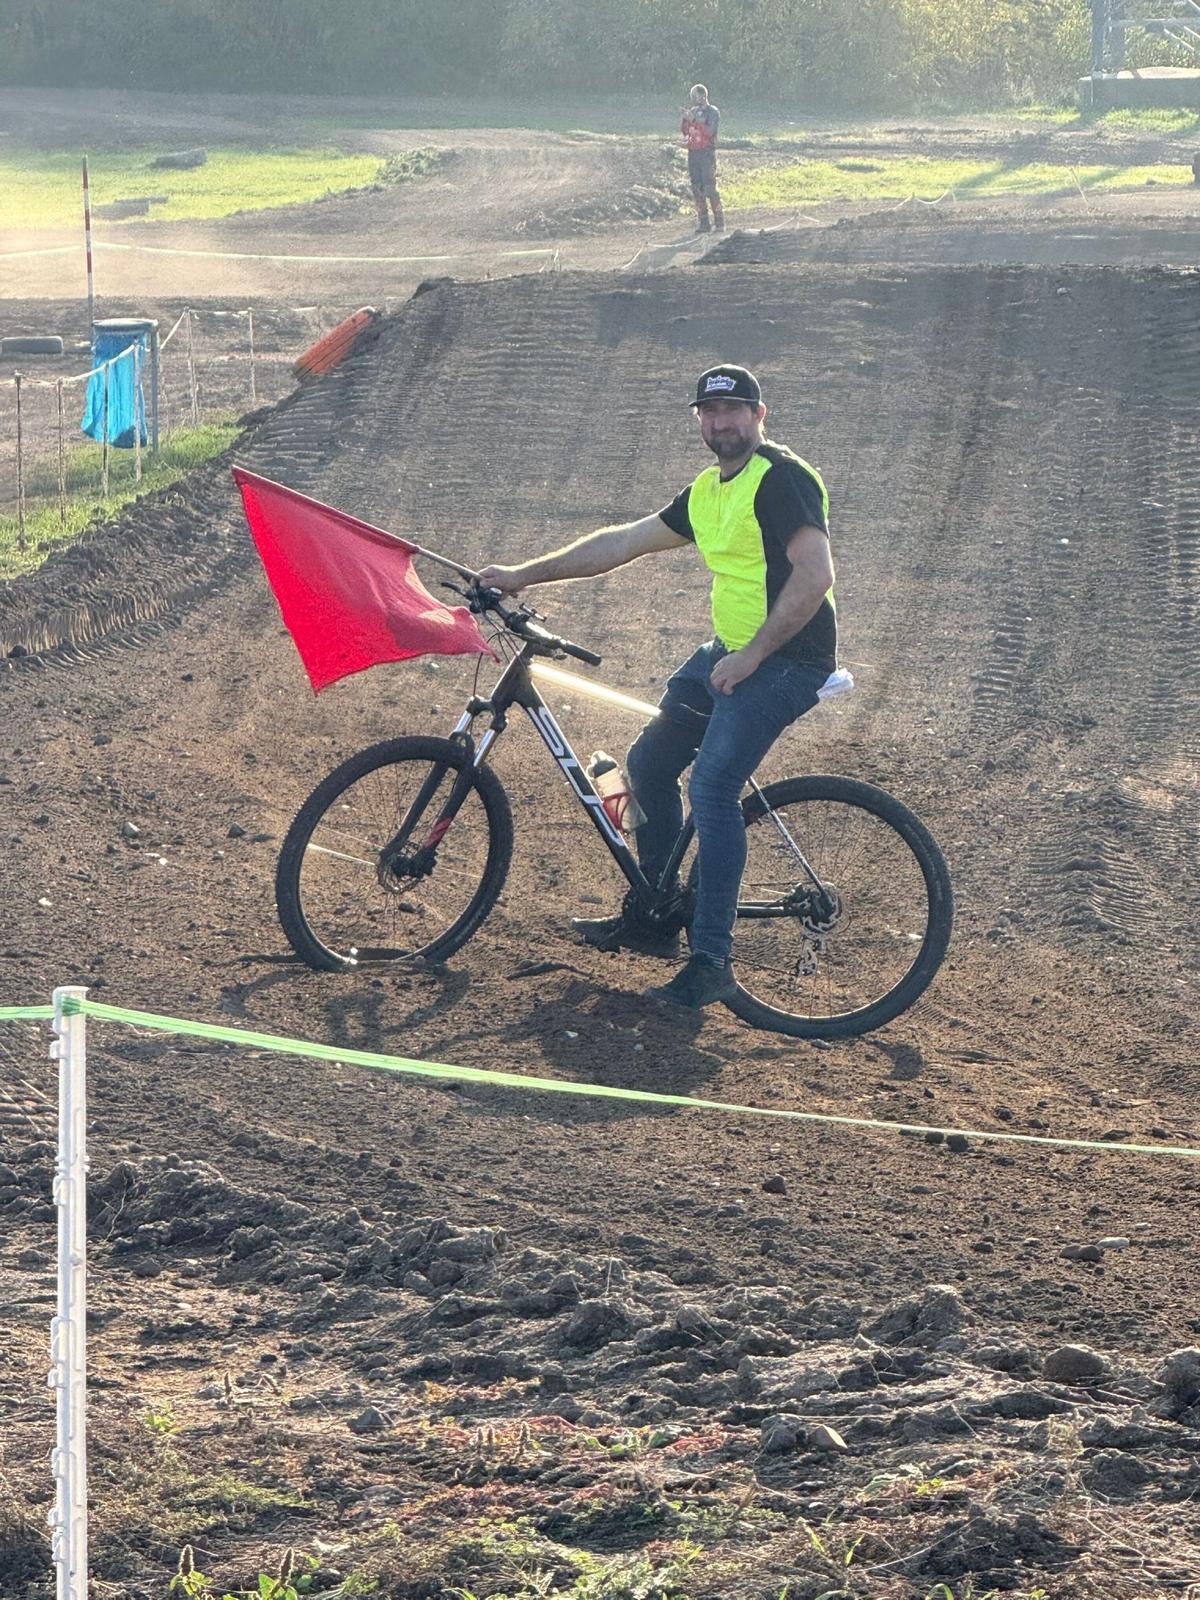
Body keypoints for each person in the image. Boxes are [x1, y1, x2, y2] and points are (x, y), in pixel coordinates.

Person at [477, 364, 838, 1011]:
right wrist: (523, 575)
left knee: (713, 788)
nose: (720, 423)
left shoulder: (782, 479)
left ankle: (711, 961)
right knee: (646, 765)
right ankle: (657, 916)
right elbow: (623, 542)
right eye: (709, 412)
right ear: (699, 420)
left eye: (733, 411)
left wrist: (753, 656)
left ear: (760, 415)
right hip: (730, 652)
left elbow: (815, 576)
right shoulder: (707, 491)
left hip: (788, 659)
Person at [680, 83, 724, 234]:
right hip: (693, 153)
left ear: (703, 96)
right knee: (696, 188)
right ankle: (704, 223)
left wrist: (695, 120)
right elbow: (685, 132)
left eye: (695, 96)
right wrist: (685, 119)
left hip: (706, 153)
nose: (693, 99)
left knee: (709, 188)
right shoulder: (693, 111)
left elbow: (710, 132)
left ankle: (719, 222)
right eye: (692, 96)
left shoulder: (713, 112)